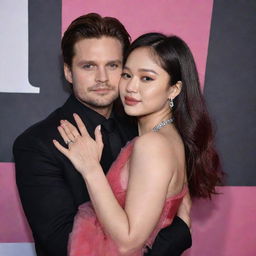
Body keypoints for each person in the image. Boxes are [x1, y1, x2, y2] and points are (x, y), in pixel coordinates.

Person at [13, 14, 192, 256]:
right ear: (68, 72)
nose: (103, 78)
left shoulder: (143, 128)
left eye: (113, 65)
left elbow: (181, 211)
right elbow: (63, 247)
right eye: (88, 66)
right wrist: (177, 235)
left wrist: (179, 230)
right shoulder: (37, 144)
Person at [53, 32, 223, 256]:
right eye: (126, 74)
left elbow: (128, 244)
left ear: (174, 89)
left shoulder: (152, 145)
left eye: (147, 78)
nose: (131, 87)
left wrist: (91, 169)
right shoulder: (168, 137)